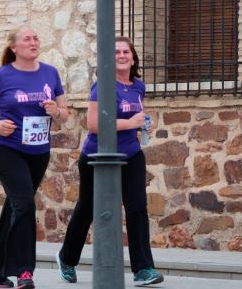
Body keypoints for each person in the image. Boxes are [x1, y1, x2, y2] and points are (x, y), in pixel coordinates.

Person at [55, 37, 164, 286]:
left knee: (137, 207)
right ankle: (67, 259)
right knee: (88, 209)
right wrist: (131, 123)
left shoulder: (138, 86)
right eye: (116, 52)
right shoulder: (102, 86)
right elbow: (93, 125)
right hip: (97, 157)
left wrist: (144, 125)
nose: (122, 55)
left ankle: (143, 269)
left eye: (126, 51)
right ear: (109, 59)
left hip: (131, 155)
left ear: (133, 58)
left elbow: (136, 117)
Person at [0, 27, 68, 289]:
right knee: (25, 205)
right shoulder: (2, 76)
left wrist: (56, 111)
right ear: (14, 47)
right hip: (6, 148)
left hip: (38, 151)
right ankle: (24, 271)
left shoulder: (50, 73)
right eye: (27, 39)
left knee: (15, 206)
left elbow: (65, 114)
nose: (34, 42)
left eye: (36, 37)